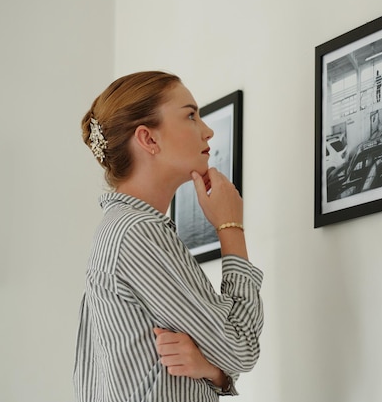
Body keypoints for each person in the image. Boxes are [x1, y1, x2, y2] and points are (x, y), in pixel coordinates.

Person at [73, 71, 264, 401]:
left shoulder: (119, 231)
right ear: (148, 139)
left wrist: (213, 370)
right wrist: (230, 226)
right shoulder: (137, 234)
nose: (207, 131)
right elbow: (240, 346)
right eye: (191, 115)